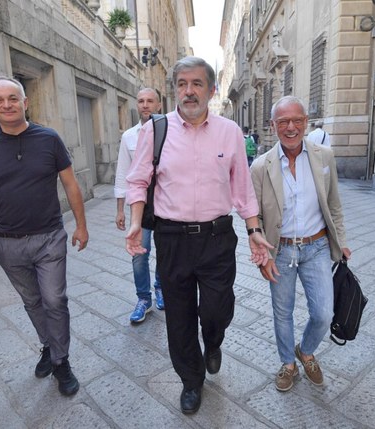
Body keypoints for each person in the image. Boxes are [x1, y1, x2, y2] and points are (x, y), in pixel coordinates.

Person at [125, 56, 272, 415]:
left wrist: (254, 229)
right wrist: (134, 222)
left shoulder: (229, 132)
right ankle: (191, 381)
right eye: (182, 84)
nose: (189, 91)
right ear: (174, 88)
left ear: (211, 89)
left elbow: (242, 188)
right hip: (172, 238)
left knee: (217, 310)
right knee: (179, 316)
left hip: (217, 237)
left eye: (197, 84)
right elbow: (138, 180)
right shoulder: (154, 130)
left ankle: (214, 340)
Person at [0, 77, 89, 396]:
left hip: (49, 237)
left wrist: (81, 225)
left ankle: (61, 361)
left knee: (54, 300)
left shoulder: (49, 138)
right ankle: (49, 346)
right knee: (32, 301)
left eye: (12, 98)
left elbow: (71, 184)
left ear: (25, 102)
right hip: (7, 242)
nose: (6, 105)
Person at [250, 96, 351, 392]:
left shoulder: (324, 157)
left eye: (296, 120)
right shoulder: (260, 167)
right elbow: (253, 215)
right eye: (283, 122)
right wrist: (261, 252)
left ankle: (305, 351)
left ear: (306, 122)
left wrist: (341, 241)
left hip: (317, 246)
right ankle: (288, 363)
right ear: (273, 126)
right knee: (282, 311)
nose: (290, 127)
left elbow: (334, 204)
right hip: (279, 249)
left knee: (323, 313)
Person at [114, 88, 164, 323]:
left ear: (159, 105)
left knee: (165, 252)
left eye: (150, 101)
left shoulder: (171, 131)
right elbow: (123, 173)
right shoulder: (129, 137)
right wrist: (119, 209)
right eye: (141, 101)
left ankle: (160, 287)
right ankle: (143, 298)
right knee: (139, 254)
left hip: (166, 204)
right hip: (140, 206)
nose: (145, 105)